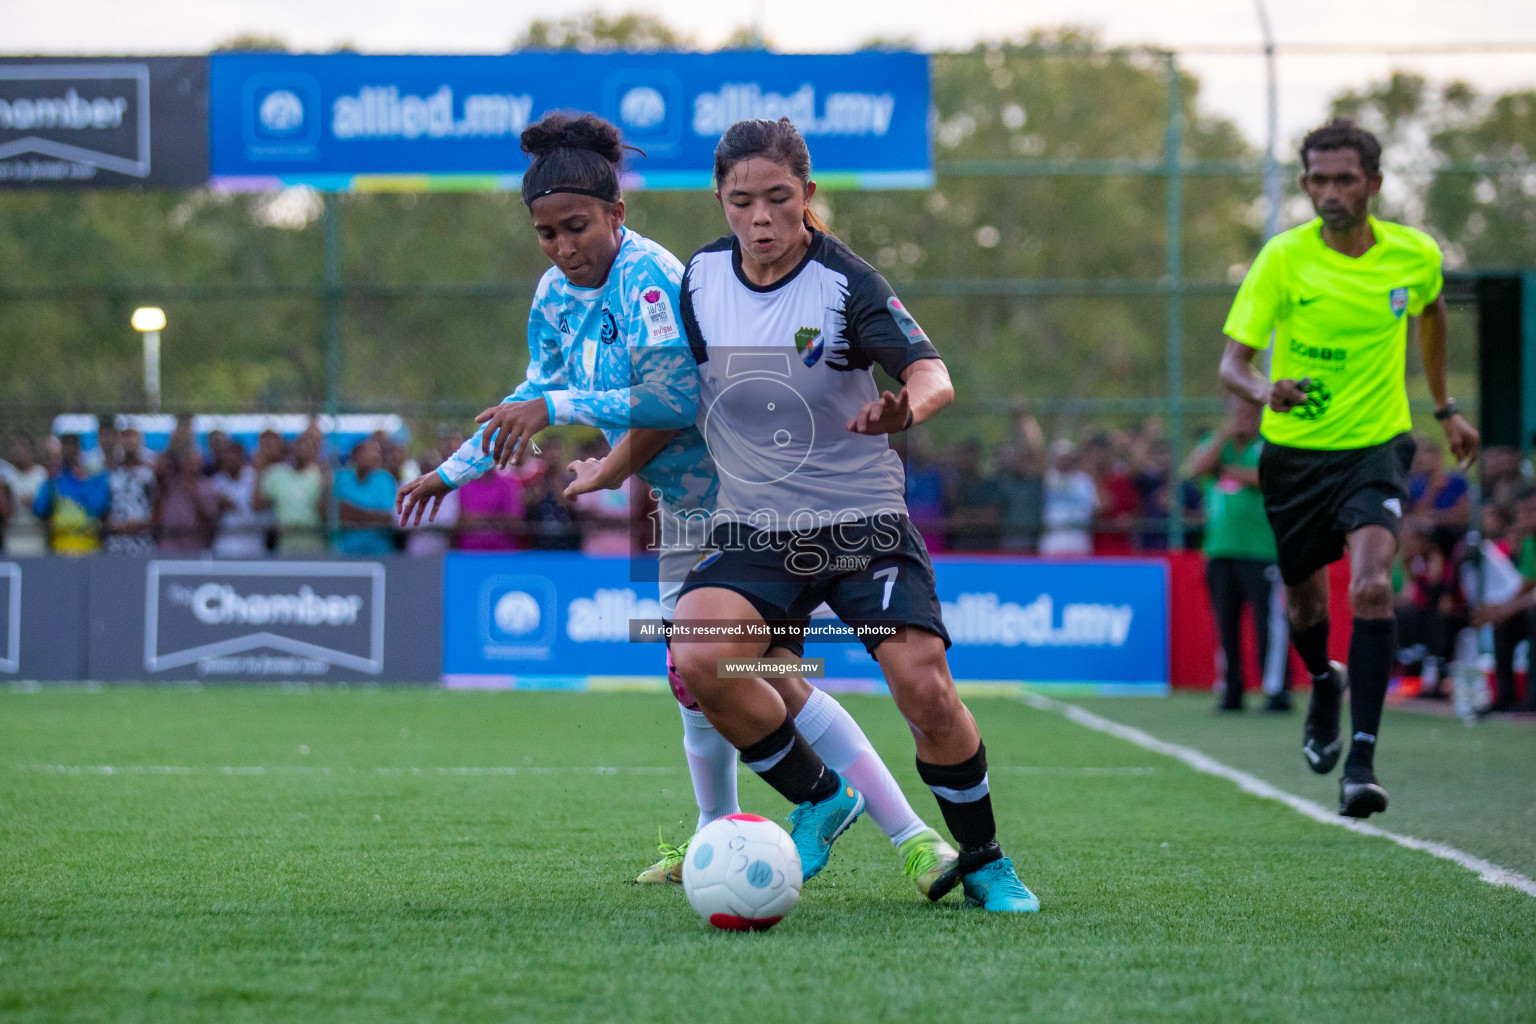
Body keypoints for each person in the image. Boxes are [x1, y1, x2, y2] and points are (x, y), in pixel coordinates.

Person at [397, 112, 956, 898]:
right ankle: (727, 836)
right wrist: (449, 472)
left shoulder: (653, 278)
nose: (562, 246)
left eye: (577, 227)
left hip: (747, 500)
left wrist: (567, 418)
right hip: (680, 509)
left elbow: (670, 396)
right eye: (547, 233)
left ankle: (909, 836)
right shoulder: (555, 296)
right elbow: (532, 391)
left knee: (765, 677)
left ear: (617, 215)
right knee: (704, 681)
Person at [662, 116, 1036, 910]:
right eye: (740, 202)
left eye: (778, 199)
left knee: (923, 688)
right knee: (701, 662)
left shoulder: (844, 284)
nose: (760, 219)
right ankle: (822, 795)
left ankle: (986, 859)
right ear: (719, 200)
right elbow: (675, 396)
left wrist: (911, 408)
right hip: (755, 528)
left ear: (808, 195)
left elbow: (932, 371)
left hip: (860, 523)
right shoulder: (699, 281)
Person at [1218, 118, 1480, 818]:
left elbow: (1431, 314)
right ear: (1305, 184)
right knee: (1306, 605)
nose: (1329, 192)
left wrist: (1446, 407)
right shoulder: (1282, 259)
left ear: (1374, 183)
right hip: (1296, 456)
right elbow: (1231, 363)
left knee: (1369, 588)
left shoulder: (1415, 255)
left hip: (1376, 446)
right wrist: (1260, 389)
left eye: (1343, 179)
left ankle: (1361, 762)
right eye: (1317, 180)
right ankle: (1322, 680)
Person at [1184, 396, 1288, 712]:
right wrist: (1224, 436)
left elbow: (1270, 479)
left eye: (1250, 412)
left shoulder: (1270, 444)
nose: (1244, 418)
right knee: (1225, 624)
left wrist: (1229, 471)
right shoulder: (1218, 443)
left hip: (1261, 551)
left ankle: (1275, 690)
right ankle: (1232, 690)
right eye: (1237, 412)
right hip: (1220, 549)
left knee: (1268, 624)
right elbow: (1195, 468)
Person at [1475, 487, 1536, 712]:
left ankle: (1533, 699)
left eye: (1530, 512)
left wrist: (1505, 609)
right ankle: (1504, 697)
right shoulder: (1530, 543)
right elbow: (1527, 586)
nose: (1523, 519)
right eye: (1521, 513)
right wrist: (1499, 610)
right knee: (1504, 624)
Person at [33, 434, 111, 555]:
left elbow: (100, 507)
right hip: (59, 547)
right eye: (66, 446)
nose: (69, 449)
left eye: (72, 445)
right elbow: (39, 509)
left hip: (90, 547)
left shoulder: (94, 477)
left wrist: (85, 481)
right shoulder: (54, 479)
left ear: (79, 449)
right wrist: (50, 480)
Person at [260, 432, 328, 553]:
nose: (302, 449)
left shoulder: (321, 475)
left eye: (307, 446)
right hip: (285, 543)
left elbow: (326, 513)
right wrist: (259, 469)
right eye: (299, 444)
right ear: (291, 448)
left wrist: (325, 485)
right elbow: (258, 506)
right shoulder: (275, 473)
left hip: (314, 542)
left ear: (315, 451)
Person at [334, 439, 399, 556]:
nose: (374, 455)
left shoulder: (386, 480)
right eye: (368, 450)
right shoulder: (341, 478)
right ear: (355, 455)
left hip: (380, 550)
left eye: (377, 451)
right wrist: (371, 516)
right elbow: (337, 512)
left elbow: (388, 517)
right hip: (348, 549)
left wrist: (352, 512)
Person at [207, 442, 270, 558]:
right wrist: (219, 506)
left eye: (233, 457)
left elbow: (262, 507)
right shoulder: (215, 482)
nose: (230, 461)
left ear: (241, 457)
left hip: (252, 541)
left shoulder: (255, 477)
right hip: (226, 542)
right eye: (227, 458)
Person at [104, 428, 158, 555]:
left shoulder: (149, 474)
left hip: (142, 542)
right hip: (116, 543)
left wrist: (143, 523)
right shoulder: (110, 474)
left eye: (133, 436)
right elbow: (105, 506)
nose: (129, 441)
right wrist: (113, 525)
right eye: (125, 436)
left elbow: (156, 504)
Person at [1040, 439, 1096, 555]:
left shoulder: (1084, 480)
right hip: (1053, 537)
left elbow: (1094, 507)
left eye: (1066, 458)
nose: (1063, 461)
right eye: (1060, 457)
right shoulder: (1047, 480)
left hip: (1078, 537)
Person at [1, 435, 49, 555]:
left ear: (31, 450)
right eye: (14, 446)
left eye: (22, 446)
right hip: (12, 538)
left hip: (37, 538)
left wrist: (36, 504)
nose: (18, 450)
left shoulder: (42, 476)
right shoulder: (6, 477)